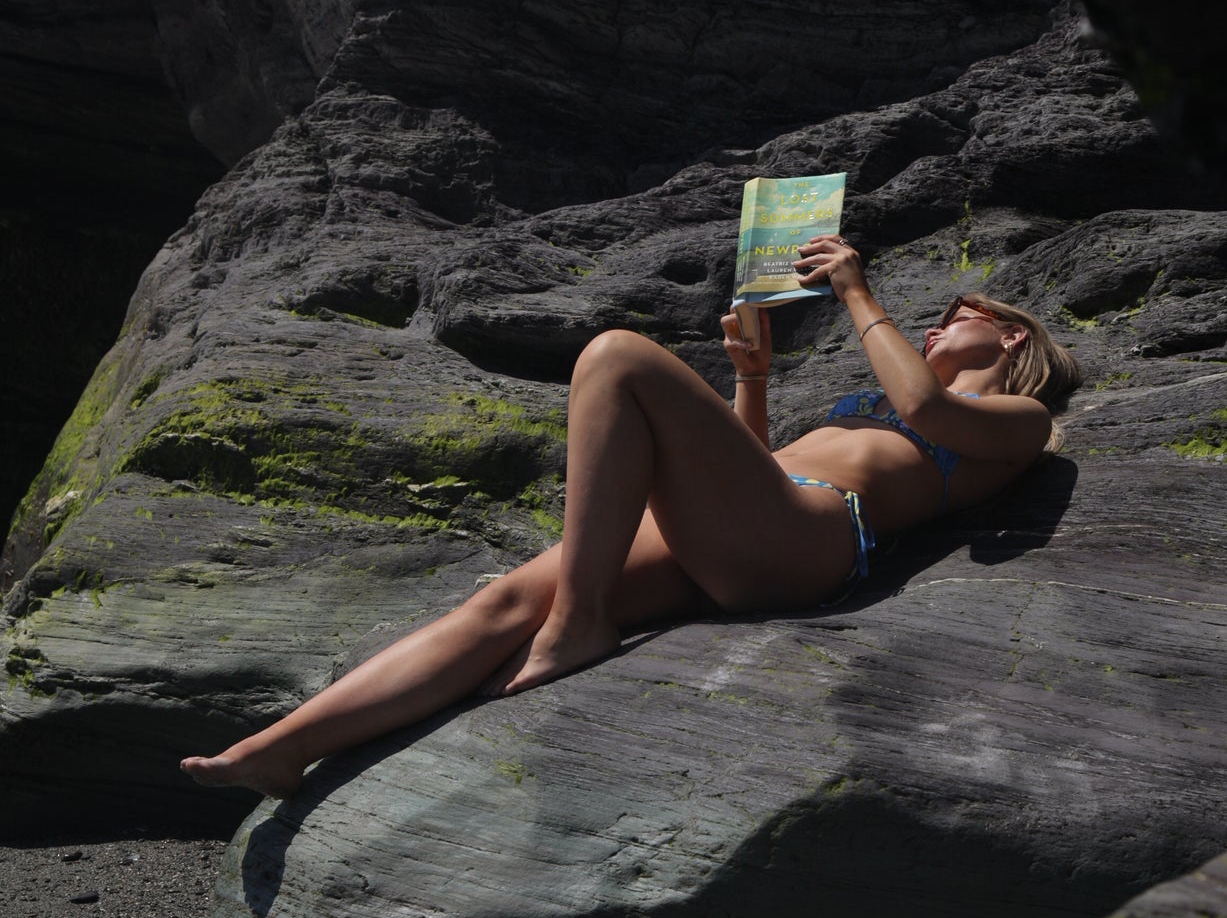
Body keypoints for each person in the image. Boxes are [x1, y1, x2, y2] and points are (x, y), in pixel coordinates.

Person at [181, 236, 1080, 798]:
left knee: (616, 355)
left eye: (956, 317)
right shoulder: (875, 405)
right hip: (751, 524)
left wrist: (854, 290)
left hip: (812, 540)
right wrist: (752, 377)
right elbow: (750, 468)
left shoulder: (1020, 421)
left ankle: (580, 624)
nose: (932, 328)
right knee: (503, 601)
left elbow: (924, 408)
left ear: (1008, 335)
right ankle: (281, 748)